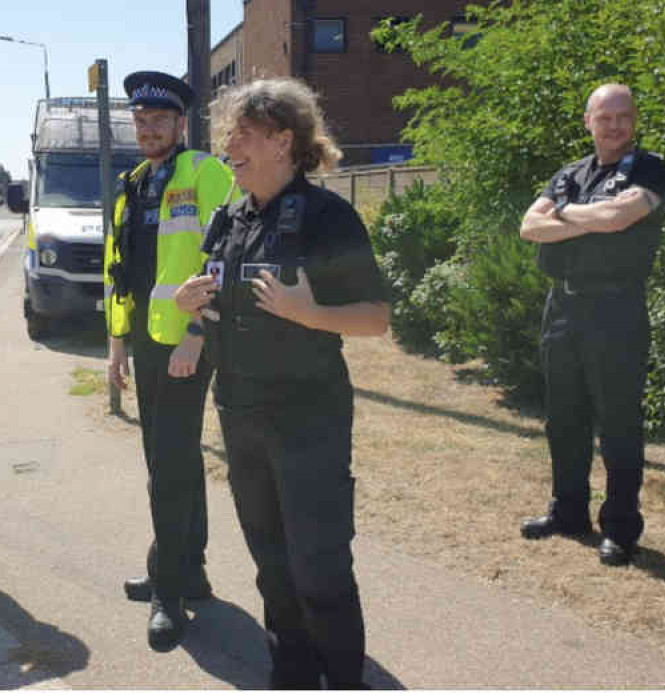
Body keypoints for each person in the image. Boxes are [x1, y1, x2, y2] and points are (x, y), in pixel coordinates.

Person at [175, 78, 390, 689]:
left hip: (309, 418)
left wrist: (310, 314)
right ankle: (291, 673)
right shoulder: (228, 218)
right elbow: (213, 302)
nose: (229, 147)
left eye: (242, 134)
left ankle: (343, 678)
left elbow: (375, 318)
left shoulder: (328, 217)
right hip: (241, 415)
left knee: (318, 564)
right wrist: (194, 308)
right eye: (227, 135)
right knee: (271, 562)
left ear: (282, 140)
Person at [104, 71, 235, 652]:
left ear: (181, 124)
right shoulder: (131, 184)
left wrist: (195, 336)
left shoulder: (205, 174)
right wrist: (115, 347)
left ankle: (170, 592)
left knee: (169, 468)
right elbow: (120, 274)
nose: (148, 129)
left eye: (159, 120)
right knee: (172, 461)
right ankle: (192, 572)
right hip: (145, 341)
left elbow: (226, 257)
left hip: (185, 344)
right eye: (140, 120)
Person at [518, 84, 665, 566]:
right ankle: (568, 512)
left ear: (634, 120)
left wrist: (565, 216)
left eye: (623, 117)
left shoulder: (651, 170)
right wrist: (592, 218)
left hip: (617, 310)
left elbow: (619, 216)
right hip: (562, 308)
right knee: (563, 417)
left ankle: (621, 527)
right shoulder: (570, 173)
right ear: (588, 121)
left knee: (618, 423)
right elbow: (529, 226)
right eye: (604, 117)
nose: (614, 126)